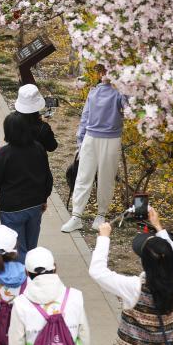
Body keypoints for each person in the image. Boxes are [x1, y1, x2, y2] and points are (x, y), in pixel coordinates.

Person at [90, 207, 173, 345]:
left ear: (145, 263)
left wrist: (103, 238)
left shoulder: (135, 288)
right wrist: (158, 226)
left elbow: (97, 272)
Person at [61, 64, 127, 233]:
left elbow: (128, 107)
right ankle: (76, 215)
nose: (104, 74)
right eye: (102, 71)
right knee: (83, 176)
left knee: (106, 177)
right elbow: (85, 116)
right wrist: (80, 141)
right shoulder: (94, 91)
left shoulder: (120, 92)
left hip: (111, 139)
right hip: (91, 137)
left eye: (107, 71)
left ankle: (101, 214)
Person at [8, 247, 91, 345]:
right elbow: (84, 338)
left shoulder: (20, 304)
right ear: (55, 268)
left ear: (26, 272)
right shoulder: (75, 297)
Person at [0, 112, 54, 262]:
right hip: (35, 205)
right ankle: (33, 275)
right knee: (31, 247)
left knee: (16, 249)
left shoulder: (4, 153)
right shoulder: (38, 148)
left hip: (12, 208)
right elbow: (47, 176)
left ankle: (21, 281)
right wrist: (44, 198)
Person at [14, 84, 58, 152]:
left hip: (14, 160)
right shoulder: (43, 128)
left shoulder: (10, 121)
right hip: (37, 160)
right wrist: (44, 125)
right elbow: (52, 147)